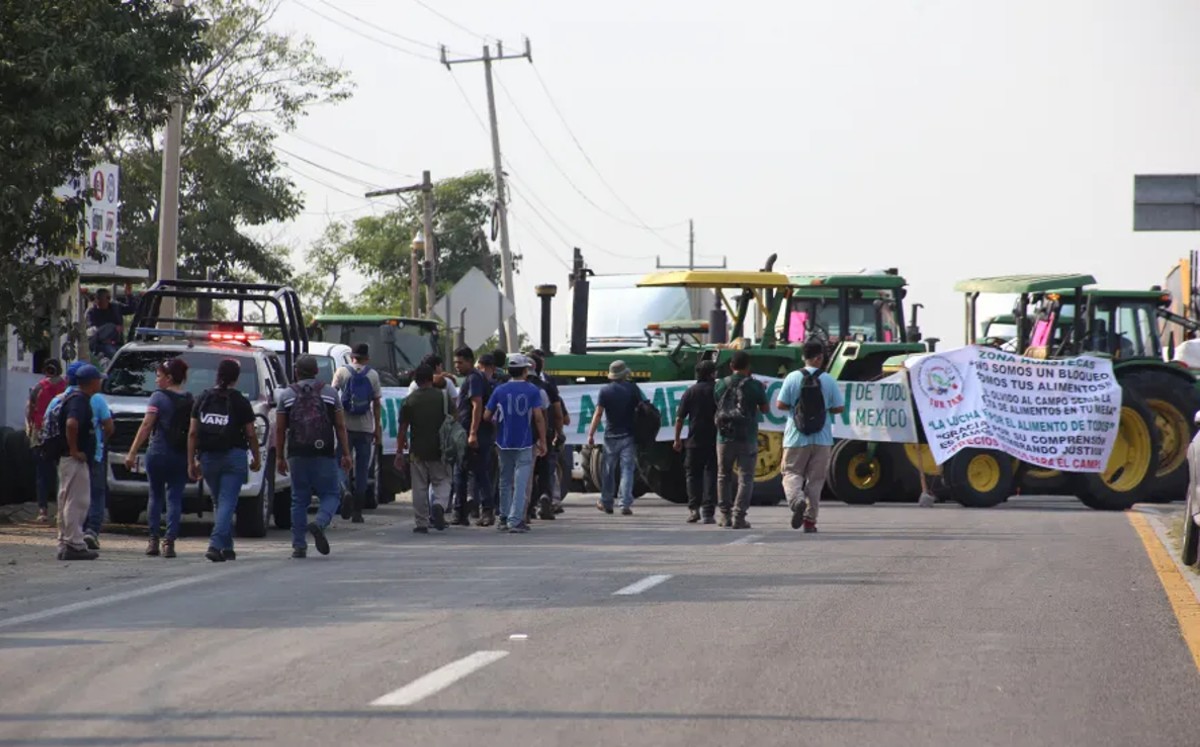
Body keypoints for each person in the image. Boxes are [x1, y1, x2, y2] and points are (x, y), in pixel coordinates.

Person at [277, 355, 353, 558]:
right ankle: (319, 522)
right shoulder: (329, 393)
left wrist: (279, 457)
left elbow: (280, 428)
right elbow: (340, 425)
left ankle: (299, 545)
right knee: (331, 494)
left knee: (298, 499)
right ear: (317, 372)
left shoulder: (286, 395)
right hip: (324, 452)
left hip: (297, 453)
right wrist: (345, 453)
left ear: (296, 371)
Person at [190, 358, 261, 563]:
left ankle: (227, 548)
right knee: (228, 502)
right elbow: (250, 433)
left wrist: (191, 461)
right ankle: (215, 545)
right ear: (236, 378)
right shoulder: (240, 401)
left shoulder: (203, 398)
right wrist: (256, 456)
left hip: (208, 457)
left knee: (220, 502)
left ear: (217, 375)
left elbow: (193, 433)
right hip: (234, 456)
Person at [775, 340, 845, 533]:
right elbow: (839, 407)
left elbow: (780, 404)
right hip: (822, 438)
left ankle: (796, 499)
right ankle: (810, 522)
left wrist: (797, 407)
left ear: (803, 357)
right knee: (815, 481)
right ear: (819, 358)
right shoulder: (829, 379)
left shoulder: (792, 377)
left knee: (791, 473)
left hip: (796, 436)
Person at [124, 358, 191, 558]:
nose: (156, 381)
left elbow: (146, 426)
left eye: (159, 376)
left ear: (169, 378)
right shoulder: (190, 399)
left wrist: (132, 451)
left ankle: (153, 540)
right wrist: (192, 458)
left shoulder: (158, 398)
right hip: (180, 455)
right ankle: (169, 542)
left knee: (155, 495)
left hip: (158, 453)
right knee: (175, 497)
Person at [484, 354, 547, 533]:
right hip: (524, 441)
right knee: (520, 481)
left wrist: (499, 423)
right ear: (525, 370)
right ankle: (515, 519)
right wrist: (543, 441)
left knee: (504, 480)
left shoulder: (499, 390)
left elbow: (487, 416)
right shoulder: (532, 390)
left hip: (503, 441)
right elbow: (538, 417)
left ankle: (503, 517)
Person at [53, 364, 105, 560]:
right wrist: (75, 450)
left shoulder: (75, 398)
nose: (100, 382)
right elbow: (71, 423)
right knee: (77, 501)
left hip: (69, 458)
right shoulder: (80, 401)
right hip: (73, 459)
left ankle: (66, 541)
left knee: (67, 500)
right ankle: (74, 543)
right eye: (98, 379)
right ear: (92, 382)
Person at [396, 364, 454, 533]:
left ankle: (421, 522)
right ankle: (439, 505)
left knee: (419, 486)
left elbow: (402, 429)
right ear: (431, 378)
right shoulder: (443, 397)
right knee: (443, 480)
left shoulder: (409, 401)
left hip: (417, 451)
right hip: (441, 449)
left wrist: (399, 452)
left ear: (415, 380)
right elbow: (454, 419)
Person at [714, 351, 769, 529]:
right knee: (746, 478)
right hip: (747, 436)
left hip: (724, 436)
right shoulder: (755, 386)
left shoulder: (721, 384)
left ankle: (725, 516)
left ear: (731, 366)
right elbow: (766, 409)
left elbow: (717, 404)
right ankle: (739, 516)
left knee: (723, 475)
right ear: (748, 367)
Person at [332, 343, 382, 523]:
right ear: (366, 358)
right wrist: (377, 429)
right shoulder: (373, 375)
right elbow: (376, 404)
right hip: (365, 428)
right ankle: (357, 512)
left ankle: (344, 490)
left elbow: (332, 397)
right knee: (362, 469)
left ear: (351, 356)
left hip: (344, 427)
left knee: (340, 463)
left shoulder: (341, 372)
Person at [586, 360, 642, 516]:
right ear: (625, 374)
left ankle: (606, 502)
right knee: (627, 470)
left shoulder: (605, 391)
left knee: (608, 471)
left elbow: (598, 414)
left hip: (610, 436)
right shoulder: (632, 389)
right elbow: (643, 408)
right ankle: (624, 504)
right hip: (629, 435)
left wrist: (591, 434)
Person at [452, 346, 495, 526]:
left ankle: (487, 512)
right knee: (461, 472)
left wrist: (472, 433)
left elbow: (477, 406)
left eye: (460, 363)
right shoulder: (471, 378)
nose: (457, 366)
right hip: (469, 432)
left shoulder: (474, 379)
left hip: (477, 434)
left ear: (470, 361)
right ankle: (460, 513)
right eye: (455, 363)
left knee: (478, 473)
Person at [673, 360, 719, 524]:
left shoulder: (690, 392)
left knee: (692, 475)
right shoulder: (718, 391)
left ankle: (694, 510)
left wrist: (677, 439)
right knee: (711, 474)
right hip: (715, 440)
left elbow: (679, 419)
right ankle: (708, 512)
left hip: (693, 441)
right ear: (712, 374)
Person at [526, 350, 565, 521]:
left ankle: (527, 508)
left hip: (524, 435)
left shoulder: (512, 386)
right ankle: (545, 498)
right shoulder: (547, 386)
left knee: (527, 472)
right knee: (546, 470)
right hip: (545, 434)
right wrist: (559, 432)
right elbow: (557, 413)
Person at [26, 359, 66, 523]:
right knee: (61, 473)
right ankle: (60, 510)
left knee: (42, 472)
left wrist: (29, 427)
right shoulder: (66, 386)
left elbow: (29, 408)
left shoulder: (39, 387)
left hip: (41, 433)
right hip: (60, 434)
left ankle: (42, 510)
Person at [83, 365, 115, 550]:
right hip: (94, 454)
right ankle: (92, 531)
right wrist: (101, 440)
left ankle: (72, 531)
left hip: (71, 457)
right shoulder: (97, 400)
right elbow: (109, 427)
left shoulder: (61, 398)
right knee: (96, 492)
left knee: (74, 494)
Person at [85, 284, 135, 360]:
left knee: (127, 356)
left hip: (117, 342)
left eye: (101, 300)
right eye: (97, 299)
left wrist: (129, 295)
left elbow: (131, 309)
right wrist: (113, 328)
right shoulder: (91, 312)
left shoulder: (115, 307)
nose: (99, 302)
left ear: (108, 299)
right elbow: (92, 330)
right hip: (100, 344)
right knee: (113, 355)